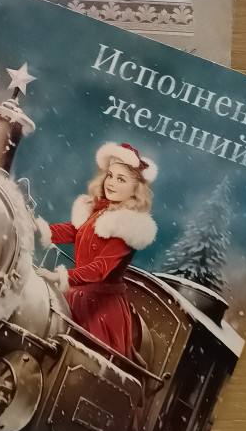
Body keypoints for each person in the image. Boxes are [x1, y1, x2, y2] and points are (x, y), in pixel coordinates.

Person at [36, 142, 158, 359]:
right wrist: (39, 229)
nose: (111, 183)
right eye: (110, 175)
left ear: (135, 189)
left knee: (82, 361)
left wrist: (60, 276)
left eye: (121, 179)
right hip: (77, 295)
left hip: (100, 310)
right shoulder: (100, 210)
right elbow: (75, 231)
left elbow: (100, 269)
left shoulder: (126, 226)